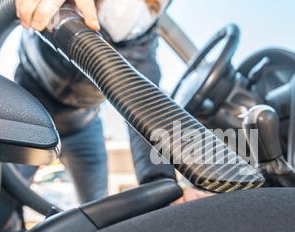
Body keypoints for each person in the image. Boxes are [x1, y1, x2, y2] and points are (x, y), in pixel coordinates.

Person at [14, 0, 209, 205]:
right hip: (31, 111)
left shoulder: (142, 48)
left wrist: (164, 187)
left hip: (84, 125)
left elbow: (147, 108)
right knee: (3, 196)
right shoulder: (68, 6)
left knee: (96, 206)